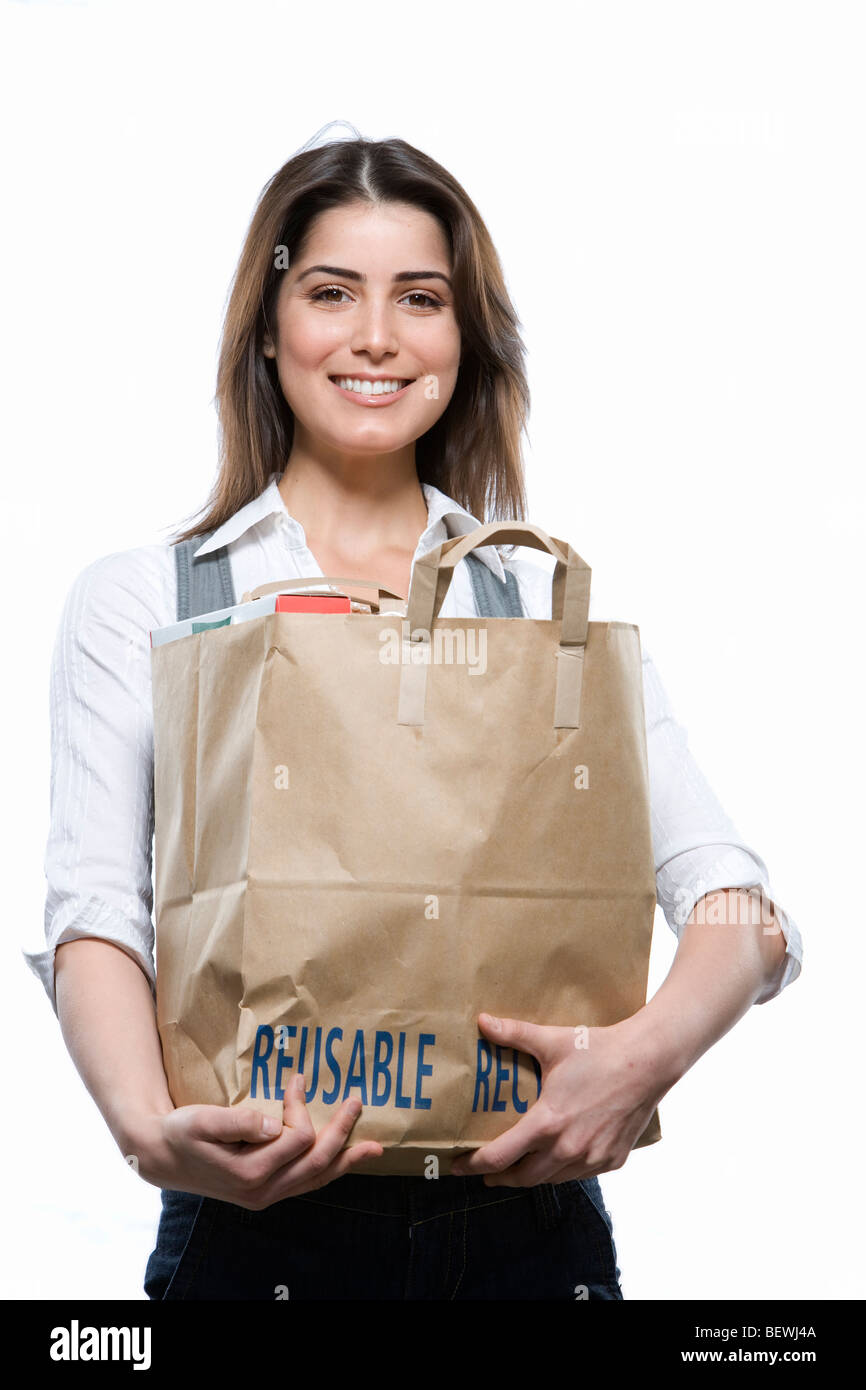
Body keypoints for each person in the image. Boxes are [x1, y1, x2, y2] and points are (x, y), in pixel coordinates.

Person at [24, 127, 803, 1301]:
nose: (376, 337)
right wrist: (145, 1128)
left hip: (524, 1232)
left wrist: (635, 1063)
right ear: (270, 324)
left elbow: (741, 909)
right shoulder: (145, 598)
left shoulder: (541, 601)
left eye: (420, 299)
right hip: (252, 1232)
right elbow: (98, 911)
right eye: (331, 292)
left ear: (464, 339)